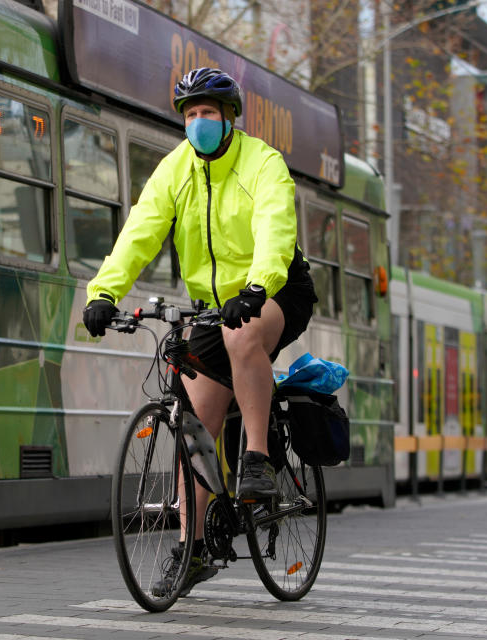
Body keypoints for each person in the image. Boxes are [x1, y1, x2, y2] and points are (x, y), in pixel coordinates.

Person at [82, 67, 317, 595]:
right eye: (190, 115)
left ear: (229, 117)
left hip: (276, 289)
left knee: (243, 336)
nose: (198, 123)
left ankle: (256, 457)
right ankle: (192, 550)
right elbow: (139, 231)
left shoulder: (262, 163)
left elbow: (275, 227)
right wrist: (103, 292)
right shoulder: (175, 170)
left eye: (208, 113)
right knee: (195, 429)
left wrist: (258, 287)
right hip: (216, 305)